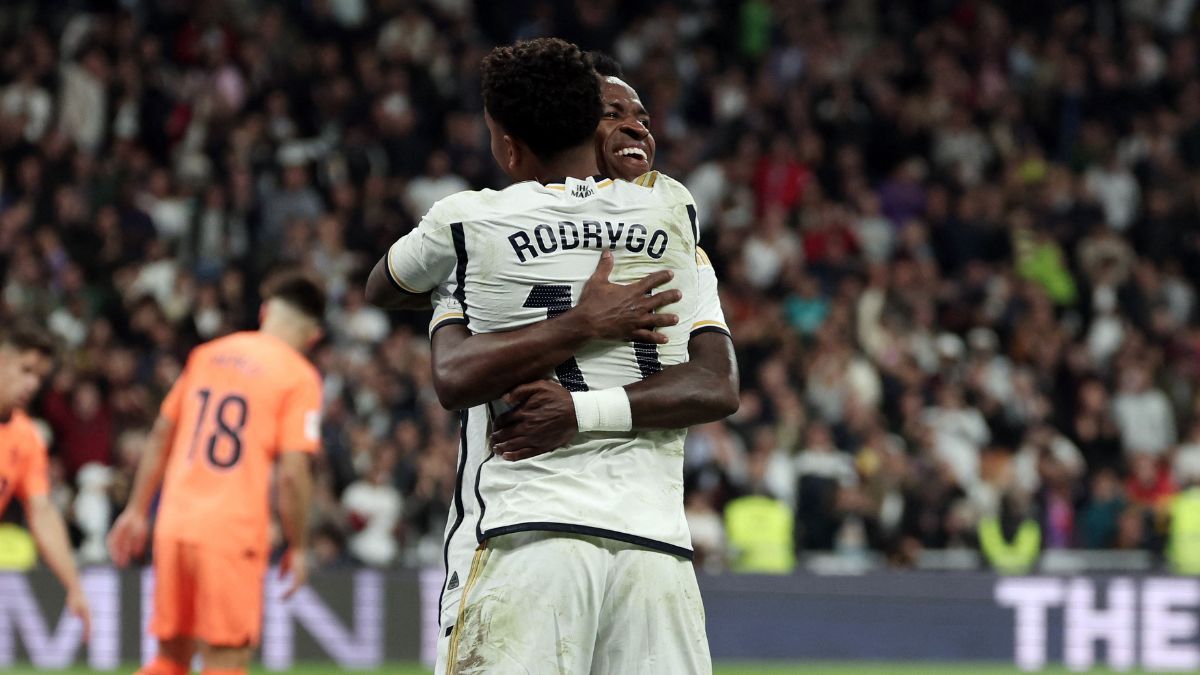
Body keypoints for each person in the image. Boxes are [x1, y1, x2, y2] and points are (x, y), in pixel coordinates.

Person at [366, 39, 731, 674]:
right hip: (654, 550)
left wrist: (456, 298)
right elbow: (716, 385)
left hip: (528, 529)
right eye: (613, 113)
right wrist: (585, 322)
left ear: (507, 143)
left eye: (638, 114)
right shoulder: (676, 218)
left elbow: (387, 293)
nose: (632, 125)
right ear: (587, 132)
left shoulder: (473, 227)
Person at [107, 273, 326, 675]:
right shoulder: (299, 377)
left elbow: (160, 436)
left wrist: (137, 511)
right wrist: (298, 546)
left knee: (168, 660)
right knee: (225, 661)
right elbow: (294, 473)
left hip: (173, 524)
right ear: (314, 335)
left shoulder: (207, 354)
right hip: (230, 533)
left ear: (264, 312)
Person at [0, 321, 91, 637]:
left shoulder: (26, 437)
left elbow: (43, 513)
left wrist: (73, 585)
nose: (33, 384)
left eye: (40, 376)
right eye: (26, 370)